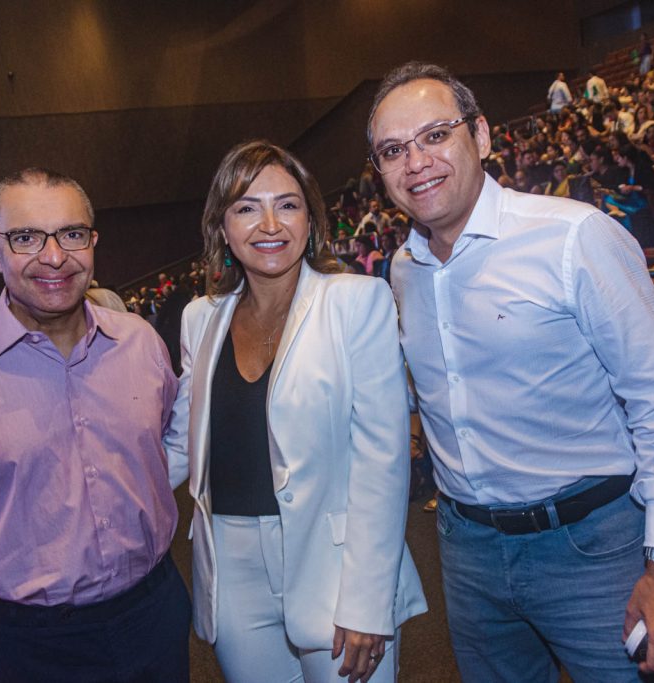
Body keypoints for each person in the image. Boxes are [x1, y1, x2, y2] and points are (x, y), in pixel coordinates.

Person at [368, 62, 654, 683]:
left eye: (435, 135)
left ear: (481, 137)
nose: (415, 161)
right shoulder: (403, 271)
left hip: (594, 547)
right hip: (468, 552)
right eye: (393, 150)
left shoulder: (574, 236)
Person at [0, 168, 190, 682]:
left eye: (72, 234)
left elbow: (162, 448)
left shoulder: (141, 343)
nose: (54, 256)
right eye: (26, 237)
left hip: (154, 611)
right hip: (35, 645)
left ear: (93, 242)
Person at [164, 140, 426, 683]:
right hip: (232, 573)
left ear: (311, 218)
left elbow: (383, 462)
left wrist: (366, 602)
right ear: (222, 228)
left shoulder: (356, 302)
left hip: (335, 568)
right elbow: (181, 447)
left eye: (286, 204)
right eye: (245, 207)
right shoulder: (199, 319)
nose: (269, 224)